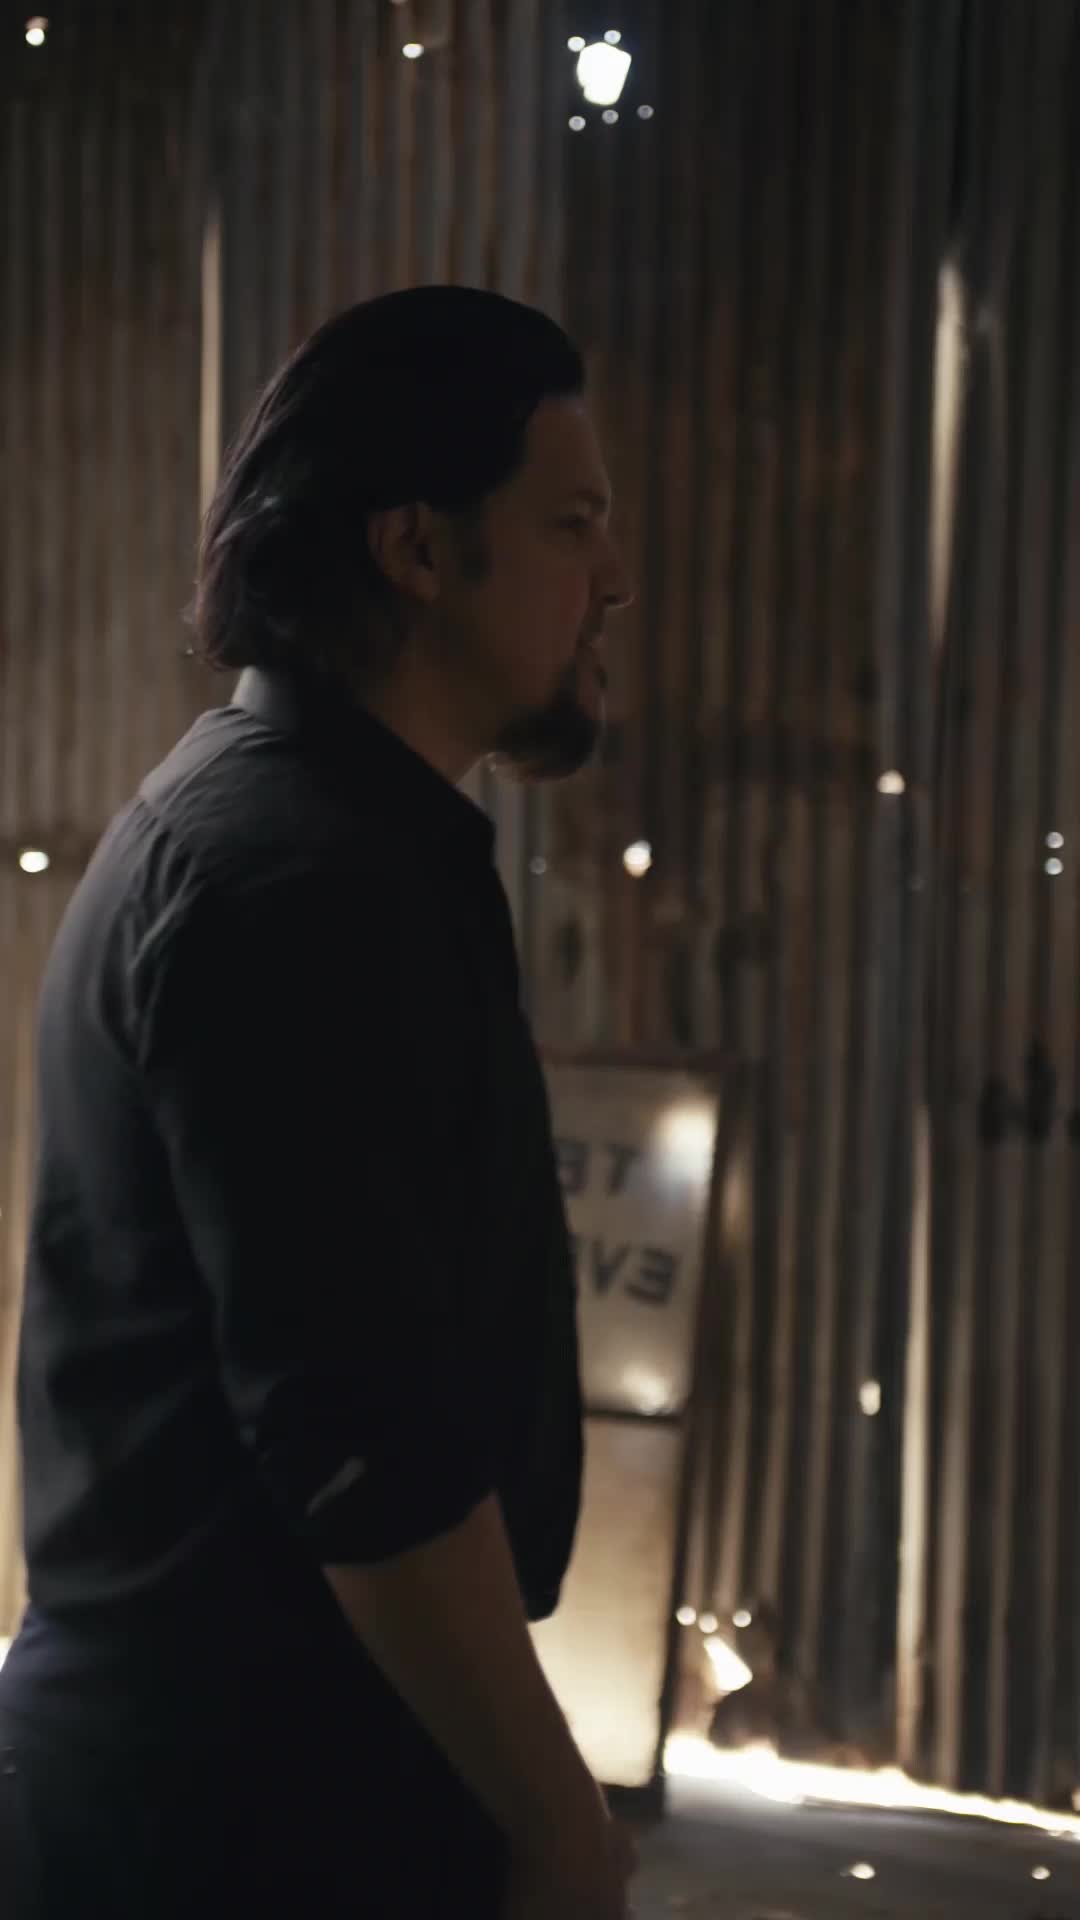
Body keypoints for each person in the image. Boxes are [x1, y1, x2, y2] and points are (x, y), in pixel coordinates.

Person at [0, 286, 635, 1918]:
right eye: (570, 524)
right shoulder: (296, 881)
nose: (613, 579)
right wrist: (557, 1816)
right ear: (418, 549)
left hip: (248, 1784)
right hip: (235, 1823)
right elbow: (364, 1441)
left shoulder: (317, 840)